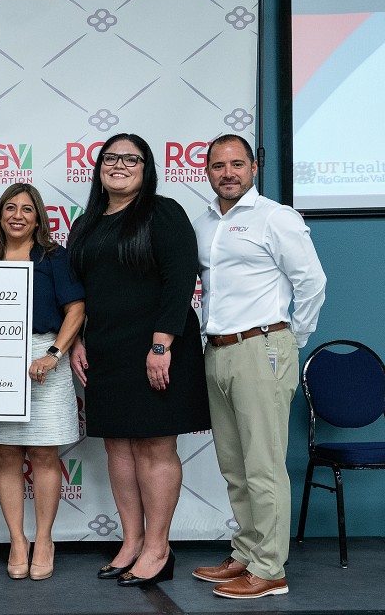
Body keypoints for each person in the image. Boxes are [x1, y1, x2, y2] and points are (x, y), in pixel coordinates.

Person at [67, 133, 210, 588]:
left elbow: (179, 278)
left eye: (132, 159)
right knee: (117, 448)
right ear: (99, 167)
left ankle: (158, 549)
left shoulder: (161, 212)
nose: (120, 165)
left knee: (153, 447)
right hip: (105, 350)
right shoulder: (86, 224)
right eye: (112, 158)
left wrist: (162, 344)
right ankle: (131, 543)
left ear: (146, 168)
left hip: (156, 348)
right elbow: (78, 293)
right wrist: (76, 341)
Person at [191, 135, 326, 599]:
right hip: (218, 350)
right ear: (206, 171)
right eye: (217, 165)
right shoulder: (205, 223)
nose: (227, 173)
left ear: (253, 167)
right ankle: (247, 553)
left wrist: (291, 340)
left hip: (264, 346)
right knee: (234, 465)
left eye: (236, 164)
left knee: (264, 466)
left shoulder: (275, 217)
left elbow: (312, 282)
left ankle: (270, 569)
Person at [0, 183, 85, 581]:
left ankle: (45, 539)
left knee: (45, 456)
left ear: (39, 218)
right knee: (6, 455)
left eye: (27, 210)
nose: (17, 215)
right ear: (0, 216)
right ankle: (18, 541)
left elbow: (76, 309)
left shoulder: (54, 257)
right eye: (9, 209)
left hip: (45, 357)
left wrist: (53, 355)